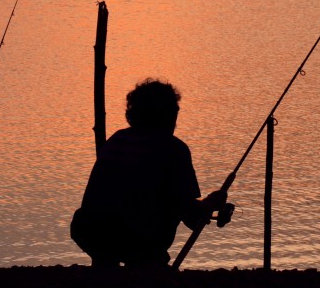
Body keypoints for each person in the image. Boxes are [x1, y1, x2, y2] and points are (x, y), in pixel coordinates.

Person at [71, 78, 229, 267]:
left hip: (89, 232)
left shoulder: (116, 140)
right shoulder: (173, 149)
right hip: (137, 238)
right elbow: (190, 216)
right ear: (168, 113)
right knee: (156, 215)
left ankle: (105, 266)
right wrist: (209, 206)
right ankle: (149, 264)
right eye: (175, 109)